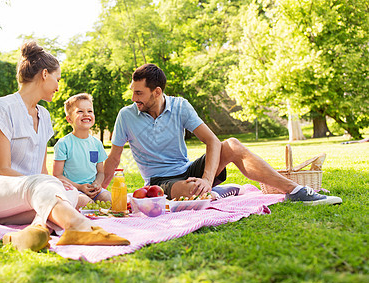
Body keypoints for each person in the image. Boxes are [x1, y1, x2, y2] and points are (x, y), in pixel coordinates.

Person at [0, 41, 129, 252]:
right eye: (57, 79)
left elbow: (41, 171)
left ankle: (33, 230)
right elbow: (3, 169)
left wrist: (56, 184)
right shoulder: (2, 107)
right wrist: (48, 182)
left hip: (24, 194)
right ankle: (79, 227)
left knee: (70, 195)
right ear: (45, 74)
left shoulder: (44, 115)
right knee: (51, 189)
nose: (59, 86)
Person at [102, 63, 342, 206]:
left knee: (233, 145)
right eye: (133, 92)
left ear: (156, 92)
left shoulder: (180, 106)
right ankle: (212, 191)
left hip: (189, 170)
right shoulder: (127, 115)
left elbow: (212, 141)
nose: (134, 99)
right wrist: (98, 189)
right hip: (160, 182)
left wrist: (207, 178)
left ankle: (296, 191)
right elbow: (113, 159)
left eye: (139, 93)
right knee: (191, 192)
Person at [53, 93, 111, 206]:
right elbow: (57, 175)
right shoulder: (63, 144)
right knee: (86, 203)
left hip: (93, 189)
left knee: (110, 199)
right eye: (80, 111)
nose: (86, 114)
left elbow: (100, 172)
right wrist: (79, 187)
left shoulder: (97, 144)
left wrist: (97, 184)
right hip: (74, 190)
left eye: (90, 111)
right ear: (69, 119)